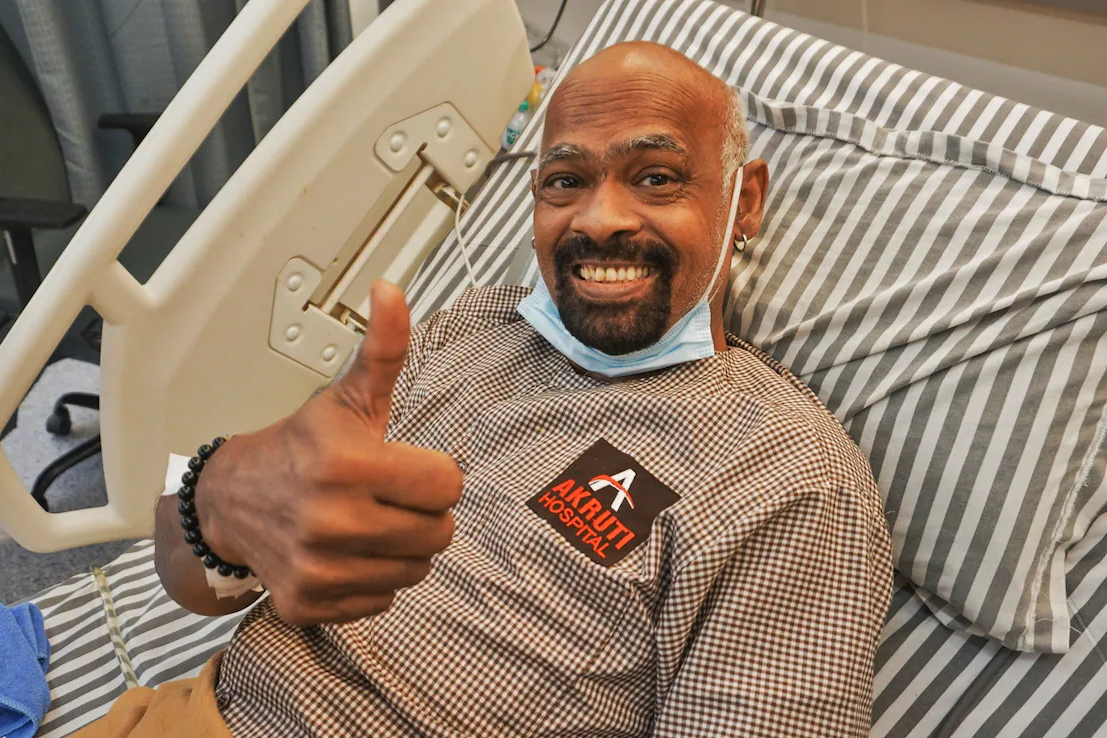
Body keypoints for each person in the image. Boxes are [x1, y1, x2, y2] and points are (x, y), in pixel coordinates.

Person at [78, 41, 893, 737]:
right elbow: (195, 580)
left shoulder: (786, 476)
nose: (598, 219)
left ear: (744, 201)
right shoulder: (463, 331)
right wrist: (215, 495)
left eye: (655, 177)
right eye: (565, 181)